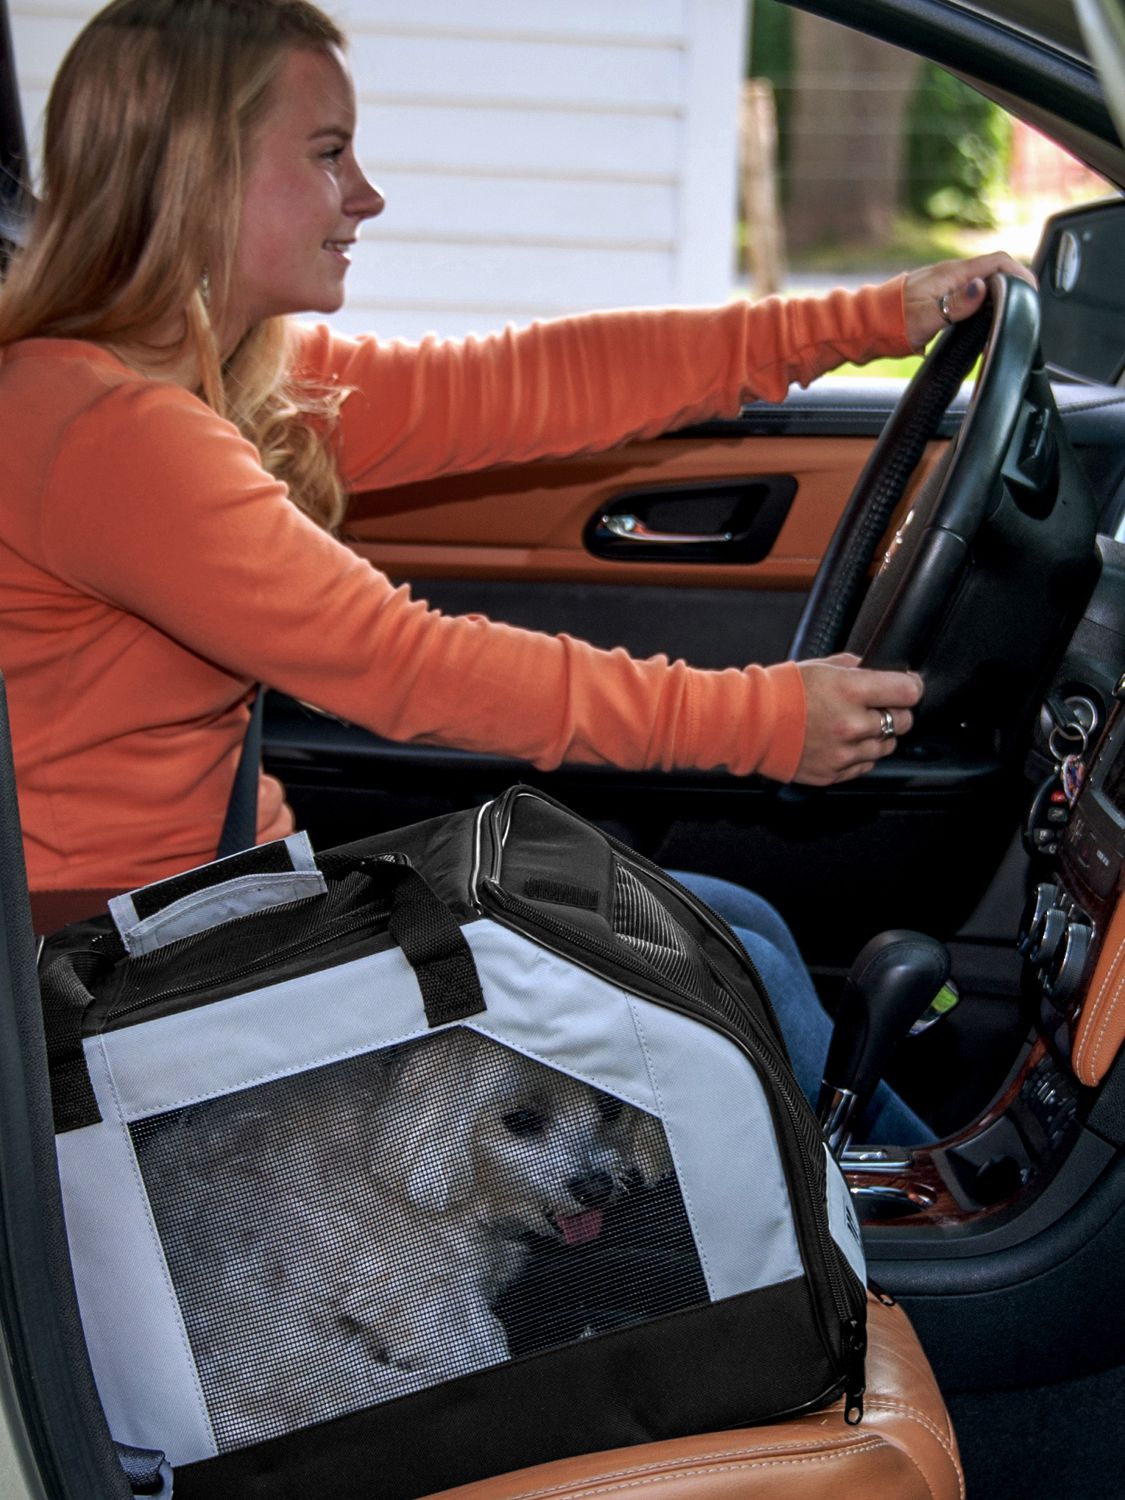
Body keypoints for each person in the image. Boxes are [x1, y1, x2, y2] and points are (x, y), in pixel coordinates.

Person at [0, 0, 1033, 1139]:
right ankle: (919, 1253)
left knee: (725, 927)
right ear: (194, 173)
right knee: (715, 946)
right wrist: (758, 720)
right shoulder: (106, 429)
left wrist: (866, 316)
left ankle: (888, 1219)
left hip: (213, 904)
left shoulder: (208, 382)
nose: (366, 198)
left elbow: (531, 379)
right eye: (329, 154)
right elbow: (408, 667)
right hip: (114, 969)